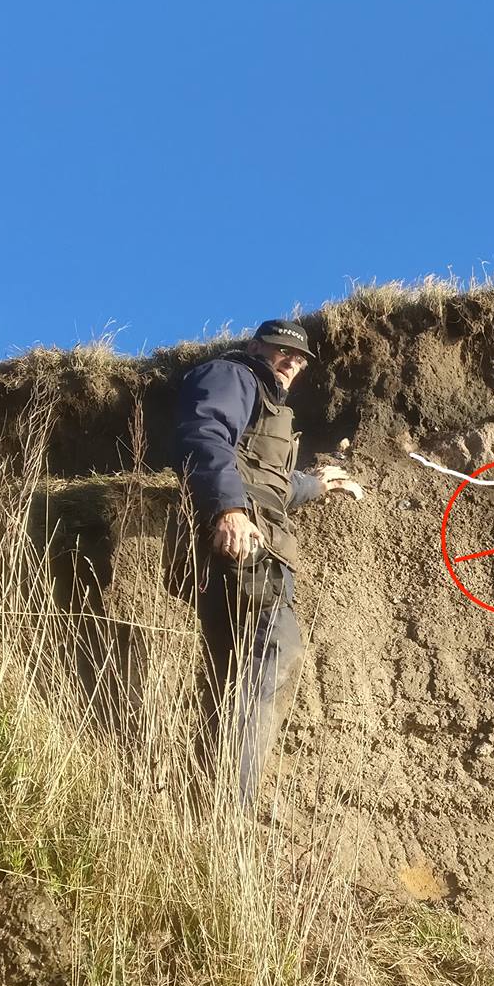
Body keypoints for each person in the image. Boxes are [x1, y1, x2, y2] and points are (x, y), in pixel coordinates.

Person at [173, 319, 360, 811]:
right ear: (257, 346)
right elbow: (206, 435)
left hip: (253, 543)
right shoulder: (234, 375)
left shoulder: (269, 405)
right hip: (244, 543)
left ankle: (204, 800)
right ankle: (229, 807)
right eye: (283, 351)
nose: (292, 362)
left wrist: (317, 484)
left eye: (300, 359)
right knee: (277, 650)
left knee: (238, 672)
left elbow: (269, 481)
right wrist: (229, 510)